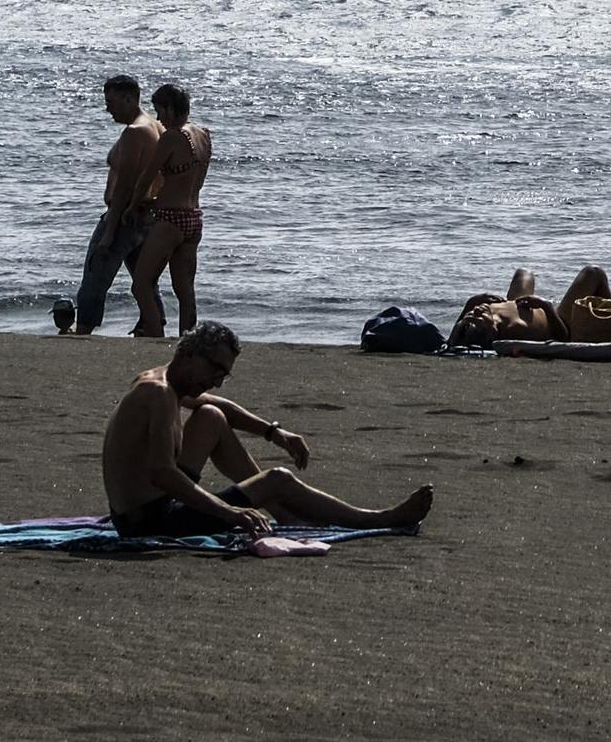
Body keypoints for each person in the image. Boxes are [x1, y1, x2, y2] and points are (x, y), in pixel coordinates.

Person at [100, 321, 433, 538]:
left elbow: (221, 407)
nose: (217, 379)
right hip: (148, 523)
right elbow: (162, 473)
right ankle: (378, 519)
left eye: (224, 374)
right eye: (215, 369)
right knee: (278, 479)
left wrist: (275, 433)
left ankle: (280, 510)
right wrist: (230, 513)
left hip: (150, 508)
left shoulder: (164, 380)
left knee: (212, 415)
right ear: (188, 354)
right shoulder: (156, 394)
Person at [56, 77, 162, 337]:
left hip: (125, 216)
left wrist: (110, 231)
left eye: (111, 102)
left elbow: (125, 185)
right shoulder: (155, 126)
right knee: (144, 280)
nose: (108, 109)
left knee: (96, 274)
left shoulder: (135, 132)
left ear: (129, 98)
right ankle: (152, 324)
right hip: (147, 216)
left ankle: (83, 330)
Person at [124, 83, 211, 339]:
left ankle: (154, 337)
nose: (159, 118)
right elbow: (189, 180)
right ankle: (187, 341)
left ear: (171, 108)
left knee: (141, 283)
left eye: (160, 111)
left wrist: (132, 206)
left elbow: (146, 178)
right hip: (194, 218)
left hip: (170, 220)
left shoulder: (172, 136)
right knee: (185, 291)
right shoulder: (203, 134)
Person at [447, 267, 611, 347]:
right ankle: (609, 327)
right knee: (594, 274)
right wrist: (546, 307)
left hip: (523, 303)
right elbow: (562, 338)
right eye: (478, 316)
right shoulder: (514, 331)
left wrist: (474, 301)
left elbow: (451, 342)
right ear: (492, 330)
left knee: (524, 273)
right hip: (558, 319)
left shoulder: (474, 319)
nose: (477, 311)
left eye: (471, 314)